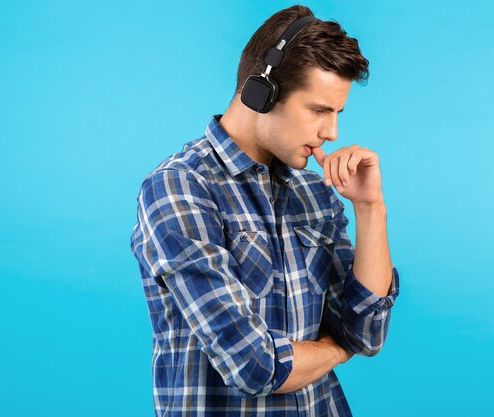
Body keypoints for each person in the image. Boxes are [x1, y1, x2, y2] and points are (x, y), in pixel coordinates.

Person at [130, 4, 400, 416]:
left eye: (337, 113)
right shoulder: (180, 189)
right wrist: (335, 347)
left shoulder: (316, 192)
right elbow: (255, 366)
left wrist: (369, 207)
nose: (332, 132)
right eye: (318, 110)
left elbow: (366, 331)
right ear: (261, 92)